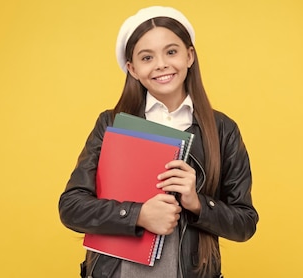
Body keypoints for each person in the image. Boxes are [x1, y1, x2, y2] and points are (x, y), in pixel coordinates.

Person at [58, 6, 258, 278]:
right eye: (147, 57)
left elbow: (245, 223)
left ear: (190, 56)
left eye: (171, 51)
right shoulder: (112, 123)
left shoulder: (222, 130)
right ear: (133, 69)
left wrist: (197, 203)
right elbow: (71, 208)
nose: (161, 64)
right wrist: (137, 215)